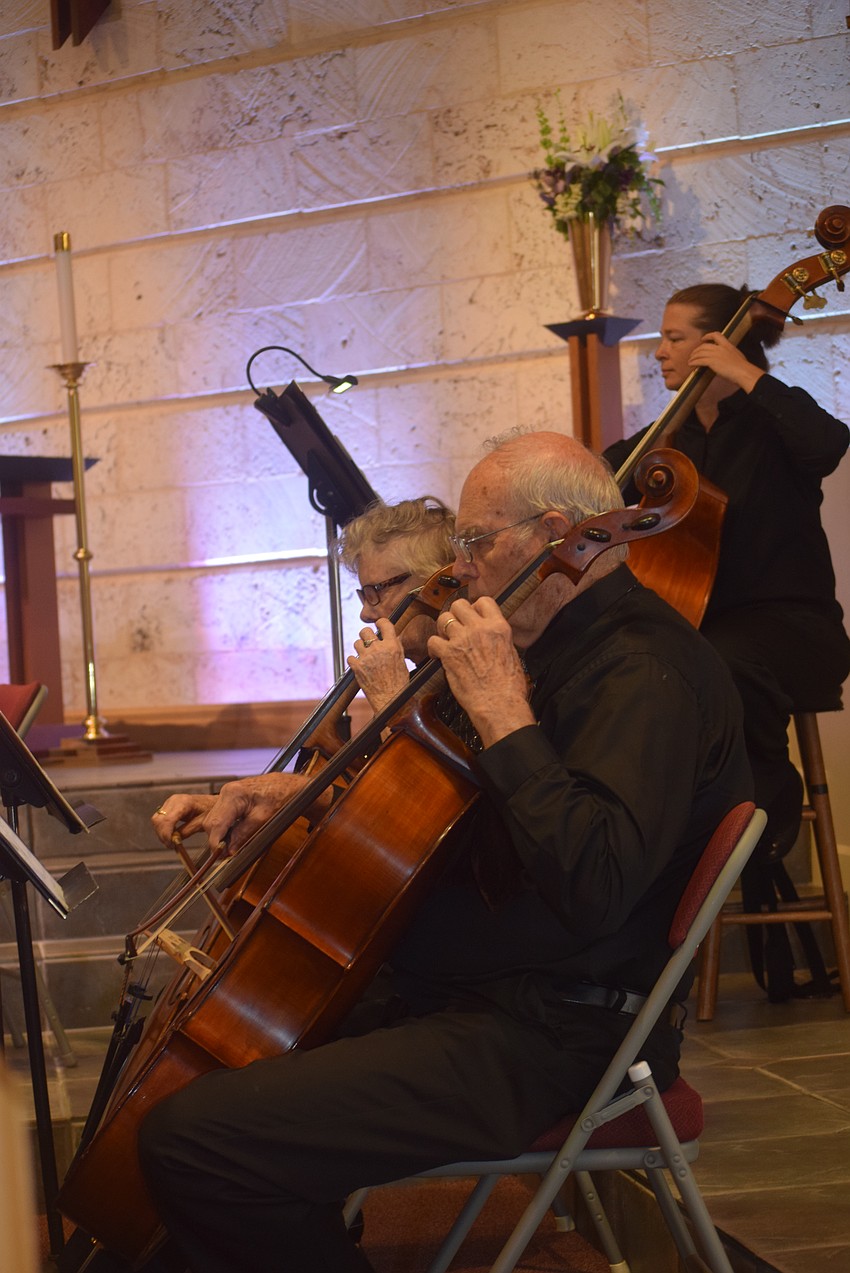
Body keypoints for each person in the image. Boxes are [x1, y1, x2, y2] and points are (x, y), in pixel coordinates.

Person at [133, 430, 751, 1273]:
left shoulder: (644, 671)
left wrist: (502, 709)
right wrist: (291, 793)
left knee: (196, 1139)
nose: (459, 566)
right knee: (215, 1076)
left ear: (557, 530)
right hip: (472, 990)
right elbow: (446, 805)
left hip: (553, 1029)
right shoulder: (541, 648)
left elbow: (595, 881)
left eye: (475, 540)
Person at [604, 283, 850, 998]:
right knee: (659, 670)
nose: (661, 350)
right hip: (710, 639)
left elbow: (832, 443)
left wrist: (748, 373)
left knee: (715, 664)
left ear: (719, 343)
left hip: (793, 629)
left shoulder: (774, 424)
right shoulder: (663, 449)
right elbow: (601, 484)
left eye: (678, 337)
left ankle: (756, 818)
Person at [151, 496, 456, 844]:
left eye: (377, 592)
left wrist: (391, 701)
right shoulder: (420, 679)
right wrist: (224, 803)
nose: (366, 614)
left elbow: (423, 819)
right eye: (363, 594)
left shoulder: (467, 682)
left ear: (437, 582)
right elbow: (363, 799)